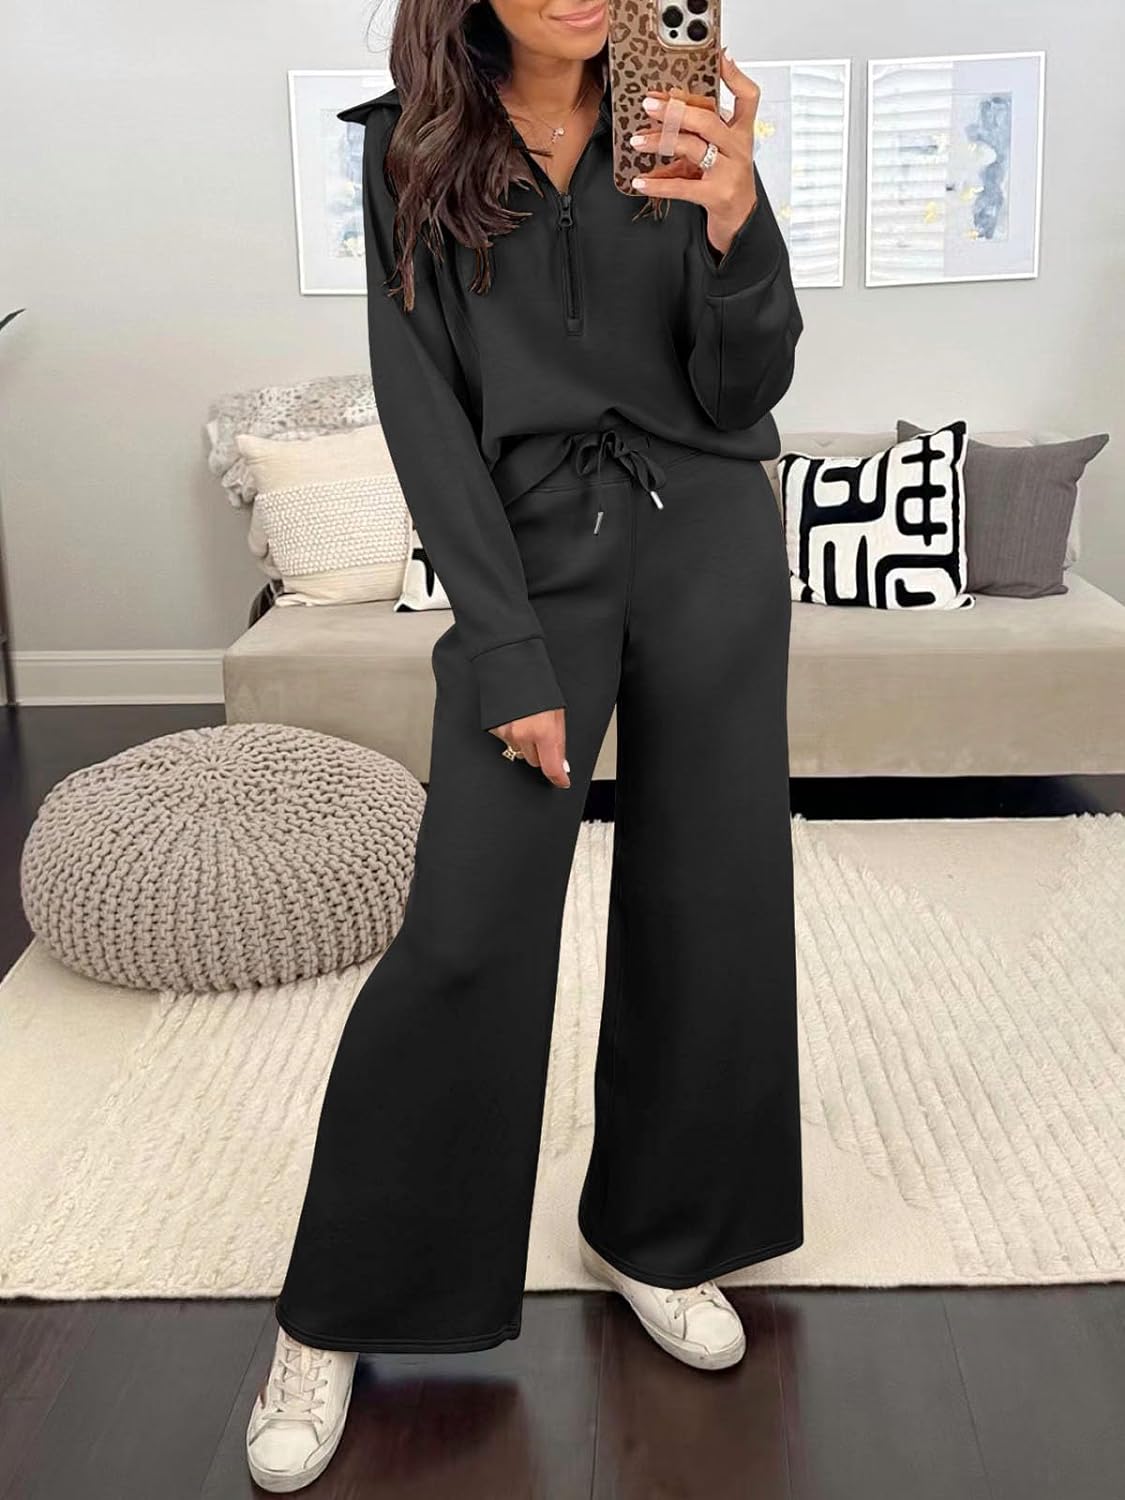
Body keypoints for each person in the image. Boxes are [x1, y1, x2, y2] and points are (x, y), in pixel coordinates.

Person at [246, 0, 805, 1489]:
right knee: (466, 932)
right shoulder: (410, 150)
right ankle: (335, 1309)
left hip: (708, 547)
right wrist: (501, 644)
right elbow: (424, 409)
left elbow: (747, 384)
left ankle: (661, 1235)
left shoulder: (677, 119)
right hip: (533, 557)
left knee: (712, 903)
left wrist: (736, 218)